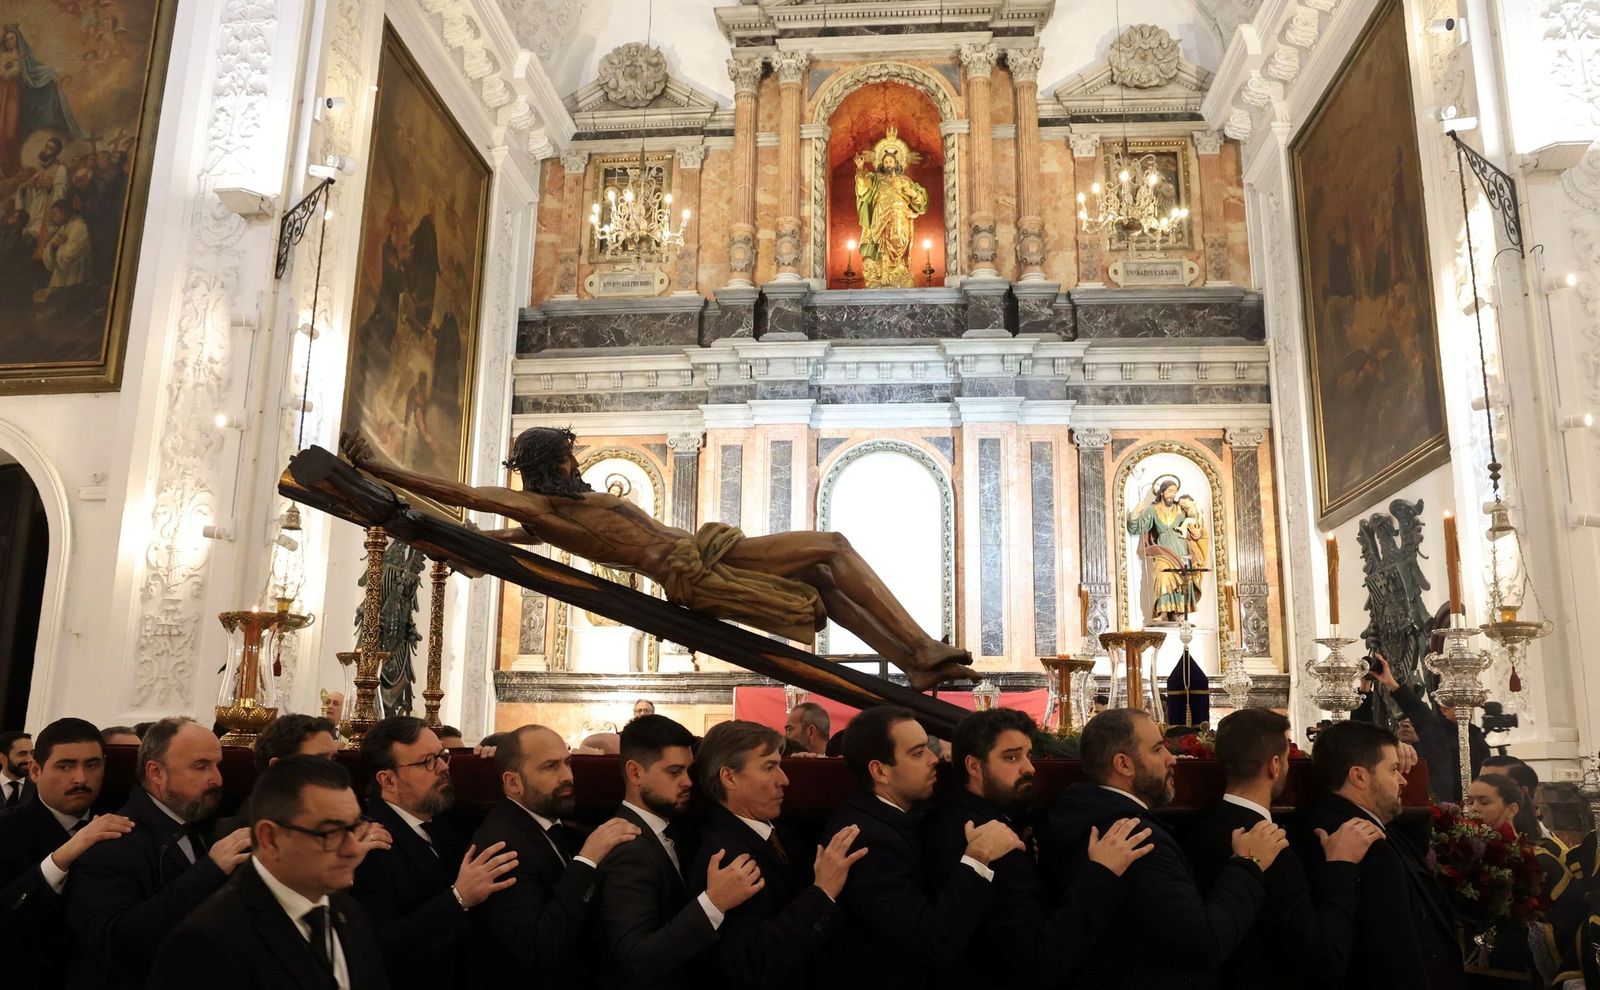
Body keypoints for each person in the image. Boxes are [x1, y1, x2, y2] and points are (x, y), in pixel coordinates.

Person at [342, 428, 977, 689]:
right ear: (547, 465)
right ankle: (919, 648)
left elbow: (510, 542)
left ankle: (914, 661)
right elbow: (465, 493)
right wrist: (379, 470)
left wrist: (484, 551)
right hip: (692, 570)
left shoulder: (566, 510)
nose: (575, 460)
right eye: (566, 456)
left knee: (822, 571)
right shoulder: (541, 508)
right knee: (832, 547)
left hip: (706, 547)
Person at [1042, 708, 1287, 988]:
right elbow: (1205, 944)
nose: (1173, 759)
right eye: (1158, 749)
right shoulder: (1136, 838)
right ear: (1123, 764)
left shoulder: (1084, 813)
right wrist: (1249, 863)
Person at [927, 708, 1153, 988]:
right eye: (1011, 757)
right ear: (973, 766)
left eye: (1028, 754)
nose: (1029, 768)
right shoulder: (989, 839)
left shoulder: (984, 816)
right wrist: (1102, 873)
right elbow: (1041, 959)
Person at [817, 706, 1023, 985]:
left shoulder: (894, 815)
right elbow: (932, 943)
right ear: (880, 771)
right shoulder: (864, 841)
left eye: (929, 747)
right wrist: (978, 856)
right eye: (917, 753)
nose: (934, 759)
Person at [1182, 709, 1384, 989]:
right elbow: (1326, 957)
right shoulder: (1274, 850)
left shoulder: (1196, 832)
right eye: (1288, 759)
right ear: (1274, 765)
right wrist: (1341, 867)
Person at [149, 757, 389, 989]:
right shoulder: (206, 942)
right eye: (330, 833)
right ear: (270, 839)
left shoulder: (350, 914)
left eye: (354, 828)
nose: (353, 849)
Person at [64, 716, 253, 990]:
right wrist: (209, 870)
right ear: (156, 773)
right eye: (201, 766)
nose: (217, 779)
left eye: (217, 765)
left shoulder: (194, 823)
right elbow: (116, 941)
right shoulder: (112, 840)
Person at [688, 720, 862, 989]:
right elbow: (751, 962)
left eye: (780, 765)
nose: (785, 779)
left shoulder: (778, 832)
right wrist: (823, 892)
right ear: (729, 777)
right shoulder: (725, 858)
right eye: (770, 767)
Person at [594, 713, 763, 989]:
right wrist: (715, 901)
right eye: (674, 772)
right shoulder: (626, 847)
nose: (687, 782)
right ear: (635, 773)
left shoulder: (671, 824)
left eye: (688, 770)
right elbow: (638, 959)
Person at [352, 716, 516, 990]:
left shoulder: (438, 819)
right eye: (428, 761)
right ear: (388, 780)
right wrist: (458, 898)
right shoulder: (369, 845)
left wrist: (499, 760)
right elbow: (383, 945)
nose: (442, 768)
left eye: (443, 756)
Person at [470, 724, 640, 982]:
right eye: (550, 766)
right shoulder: (502, 846)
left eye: (568, 762)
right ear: (513, 782)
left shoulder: (546, 820)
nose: (568, 776)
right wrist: (587, 859)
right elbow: (538, 947)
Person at [1301, 719, 1463, 989]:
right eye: (1393, 770)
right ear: (1360, 776)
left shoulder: (1369, 822)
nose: (1402, 780)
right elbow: (1392, 950)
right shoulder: (1360, 837)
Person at [0, 718, 133, 989]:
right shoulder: (6, 829)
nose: (81, 778)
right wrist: (60, 858)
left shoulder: (125, 818)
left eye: (92, 765)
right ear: (35, 770)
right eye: (65, 766)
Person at [1465, 773, 1575, 984]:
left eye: (1484, 801)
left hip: (1523, 974)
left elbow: (1565, 925)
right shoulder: (1468, 858)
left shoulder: (1540, 861)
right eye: (1470, 801)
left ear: (1512, 809)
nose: (1474, 808)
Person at [1368, 652, 1486, 802]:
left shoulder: (1476, 735)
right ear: (1443, 708)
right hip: (1442, 803)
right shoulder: (1439, 730)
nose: (1465, 708)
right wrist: (1391, 683)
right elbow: (1423, 717)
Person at [1, 729, 34, 806]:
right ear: (2, 758)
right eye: (22, 754)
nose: (30, 759)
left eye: (32, 753)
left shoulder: (40, 787)